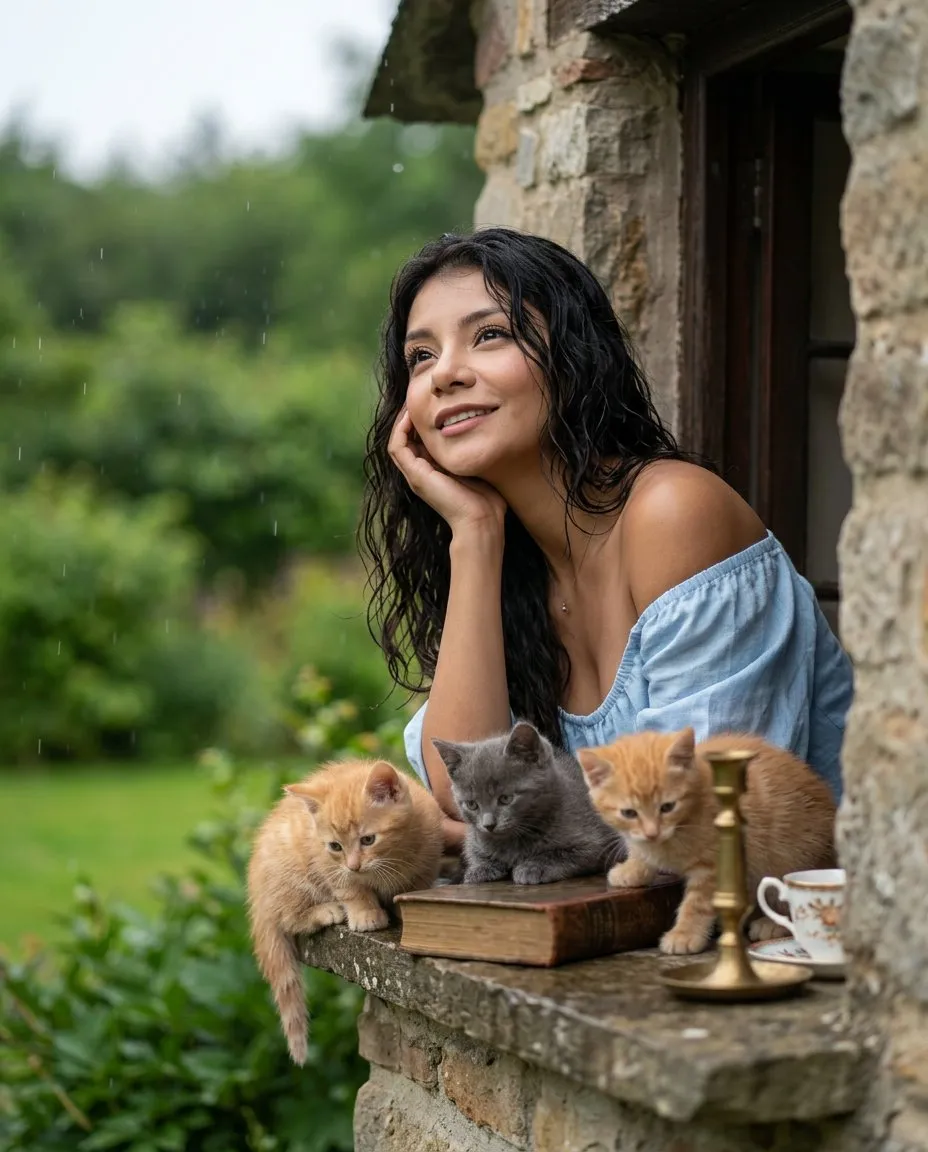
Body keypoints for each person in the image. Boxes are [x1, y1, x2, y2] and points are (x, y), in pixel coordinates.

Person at [359, 228, 852, 852]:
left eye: (490, 335)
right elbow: (468, 797)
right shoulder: (510, 565)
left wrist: (471, 838)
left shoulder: (673, 514)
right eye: (420, 357)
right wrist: (475, 536)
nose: (444, 375)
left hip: (827, 927)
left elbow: (694, 834)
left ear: (572, 356)